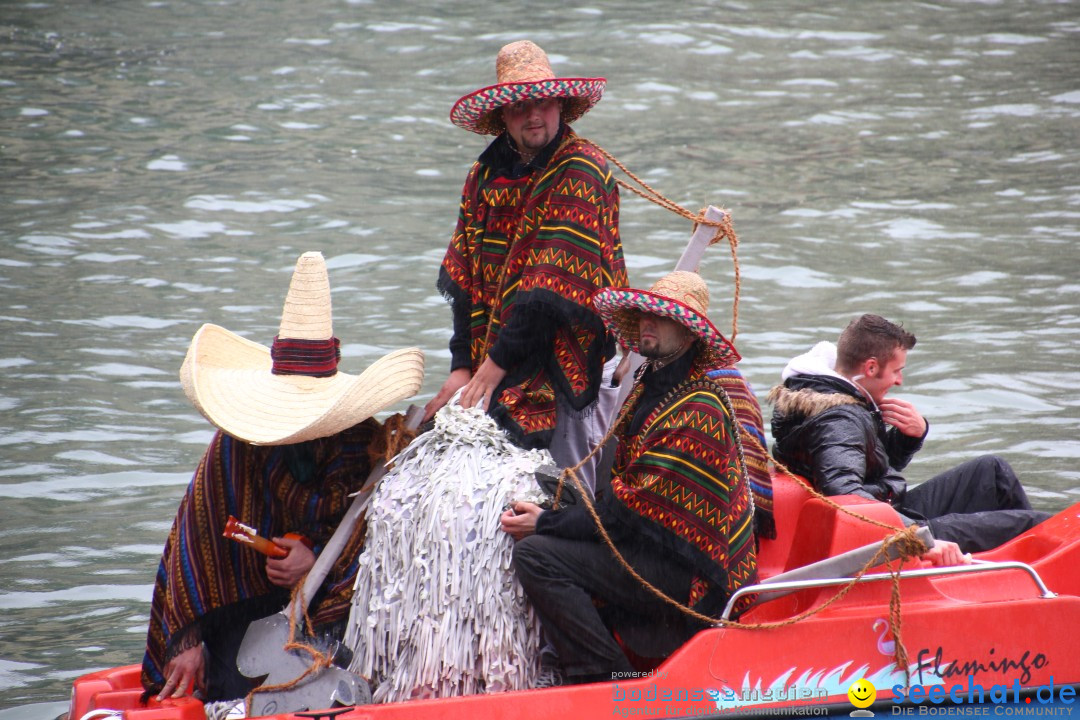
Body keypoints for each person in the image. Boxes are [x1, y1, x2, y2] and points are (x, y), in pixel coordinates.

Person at [140, 252, 424, 702]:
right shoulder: (239, 443)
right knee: (235, 686)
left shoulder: (361, 447)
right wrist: (189, 641)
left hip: (331, 609)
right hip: (245, 609)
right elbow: (196, 540)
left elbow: (375, 545)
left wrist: (313, 559)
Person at [501, 271, 759, 685]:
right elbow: (626, 502)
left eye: (661, 318)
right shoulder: (651, 387)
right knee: (558, 520)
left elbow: (626, 512)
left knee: (537, 555)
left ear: (690, 336)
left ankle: (603, 677)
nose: (647, 323)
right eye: (642, 315)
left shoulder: (698, 409)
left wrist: (545, 522)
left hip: (686, 572)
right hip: (652, 545)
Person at [425, 39, 627, 494]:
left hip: (562, 354)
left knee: (558, 488)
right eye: (519, 106)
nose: (533, 114)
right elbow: (465, 277)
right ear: (503, 116)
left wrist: (493, 369)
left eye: (543, 101)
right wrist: (463, 364)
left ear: (560, 104)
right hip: (495, 350)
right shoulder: (484, 176)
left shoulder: (582, 170)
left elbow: (547, 292)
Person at [768, 313, 1051, 558]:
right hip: (890, 530)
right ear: (870, 367)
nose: (900, 381)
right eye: (897, 371)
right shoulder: (839, 418)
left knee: (992, 472)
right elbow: (844, 492)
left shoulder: (831, 393)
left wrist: (909, 437)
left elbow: (861, 464)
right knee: (1033, 523)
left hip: (891, 511)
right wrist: (920, 539)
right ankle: (1036, 577)